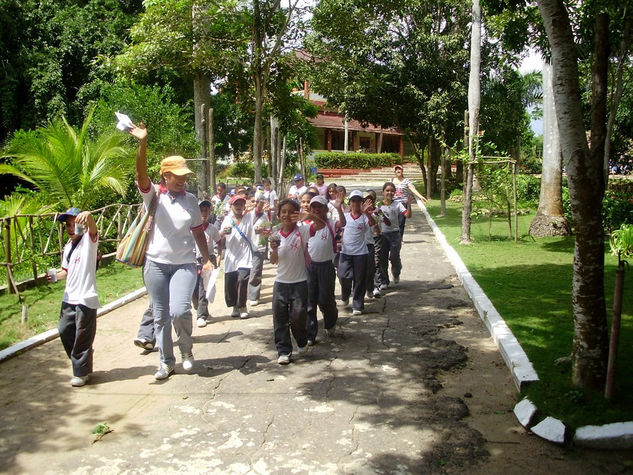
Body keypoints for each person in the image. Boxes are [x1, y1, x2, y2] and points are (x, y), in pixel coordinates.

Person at [129, 123, 214, 380]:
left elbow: (198, 232)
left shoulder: (190, 200)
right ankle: (166, 362)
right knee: (160, 316)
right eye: (177, 175)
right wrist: (142, 143)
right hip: (155, 265)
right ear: (165, 176)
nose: (182, 179)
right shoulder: (153, 195)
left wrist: (207, 258)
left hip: (184, 265)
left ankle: (186, 351)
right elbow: (141, 172)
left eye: (184, 175)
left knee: (179, 310)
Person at [50, 208, 99, 387]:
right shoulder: (68, 247)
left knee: (83, 336)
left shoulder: (89, 241)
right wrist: (54, 276)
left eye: (75, 224)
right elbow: (66, 271)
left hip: (86, 297)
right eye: (68, 225)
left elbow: (93, 229)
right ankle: (83, 361)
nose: (71, 229)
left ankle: (81, 371)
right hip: (69, 297)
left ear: (82, 226)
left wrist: (89, 216)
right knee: (64, 330)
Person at [269, 199, 311, 364]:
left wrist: (308, 215)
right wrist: (273, 249)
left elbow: (320, 225)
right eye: (283, 212)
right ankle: (284, 351)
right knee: (280, 319)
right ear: (279, 215)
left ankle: (301, 340)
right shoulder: (275, 235)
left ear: (296, 214)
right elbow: (273, 261)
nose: (287, 215)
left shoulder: (303, 231)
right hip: (281, 283)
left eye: (291, 212)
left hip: (300, 283)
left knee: (298, 317)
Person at [305, 195, 346, 345]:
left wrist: (338, 208)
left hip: (326, 267)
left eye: (319, 207)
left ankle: (330, 322)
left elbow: (343, 223)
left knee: (325, 299)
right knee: (310, 301)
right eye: (313, 207)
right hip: (310, 268)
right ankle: (310, 333)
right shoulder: (307, 225)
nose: (316, 210)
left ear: (325, 209)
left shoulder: (331, 224)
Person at [338, 190, 375, 315]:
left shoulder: (365, 217)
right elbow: (339, 228)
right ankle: (345, 294)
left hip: (361, 253)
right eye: (353, 201)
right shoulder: (346, 216)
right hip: (345, 252)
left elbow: (372, 224)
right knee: (343, 275)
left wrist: (367, 213)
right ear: (350, 203)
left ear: (361, 203)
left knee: (359, 279)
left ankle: (358, 305)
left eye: (358, 201)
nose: (355, 203)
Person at [220, 194, 255, 319]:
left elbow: (257, 217)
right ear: (231, 206)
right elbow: (219, 236)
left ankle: (243, 306)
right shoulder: (227, 219)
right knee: (232, 282)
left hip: (245, 254)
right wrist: (223, 232)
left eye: (241, 204)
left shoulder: (248, 218)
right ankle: (235, 305)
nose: (239, 207)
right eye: (236, 204)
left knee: (243, 279)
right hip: (231, 256)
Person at [377, 182, 412, 289]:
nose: (389, 193)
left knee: (394, 257)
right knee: (382, 258)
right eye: (387, 190)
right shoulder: (379, 205)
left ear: (395, 193)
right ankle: (384, 281)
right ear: (382, 192)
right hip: (382, 235)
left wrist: (409, 204)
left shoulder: (397, 204)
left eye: (392, 191)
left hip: (395, 235)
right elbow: (374, 216)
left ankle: (396, 272)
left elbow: (408, 215)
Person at [193, 200, 223, 328]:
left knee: (203, 288)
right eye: (201, 211)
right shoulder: (191, 229)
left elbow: (219, 242)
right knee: (194, 290)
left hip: (207, 261)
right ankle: (200, 307)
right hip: (193, 261)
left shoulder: (212, 229)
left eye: (206, 211)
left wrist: (219, 256)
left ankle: (201, 315)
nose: (203, 214)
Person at [248, 191, 271, 307]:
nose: (259, 204)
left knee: (256, 270)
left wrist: (264, 231)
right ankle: (243, 294)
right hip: (246, 246)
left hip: (259, 245)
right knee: (244, 271)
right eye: (256, 202)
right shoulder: (247, 214)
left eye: (261, 202)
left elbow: (268, 231)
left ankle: (253, 295)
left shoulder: (265, 217)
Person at [391, 164, 427, 239]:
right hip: (393, 204)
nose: (398, 171)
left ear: (402, 171)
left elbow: (413, 189)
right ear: (395, 171)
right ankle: (393, 237)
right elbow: (387, 192)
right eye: (397, 170)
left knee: (401, 222)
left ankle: (400, 238)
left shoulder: (406, 181)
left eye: (400, 169)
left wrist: (421, 197)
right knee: (393, 221)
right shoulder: (391, 181)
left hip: (403, 204)